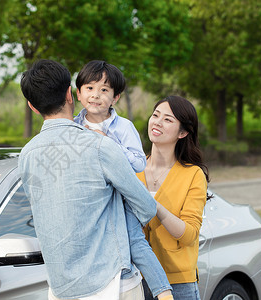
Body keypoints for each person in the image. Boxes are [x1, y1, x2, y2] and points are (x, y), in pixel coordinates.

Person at [18, 59, 161, 300]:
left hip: (60, 288)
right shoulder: (101, 145)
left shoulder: (27, 155)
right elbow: (147, 207)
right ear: (70, 95)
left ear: (32, 106)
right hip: (113, 283)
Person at [74, 60, 173, 299]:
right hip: (92, 197)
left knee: (135, 241)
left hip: (123, 195)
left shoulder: (123, 127)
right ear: (78, 93)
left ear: (115, 97)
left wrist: (107, 144)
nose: (96, 95)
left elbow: (139, 162)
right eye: (89, 88)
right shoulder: (74, 125)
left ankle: (163, 292)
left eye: (104, 90)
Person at [137, 95, 210, 300]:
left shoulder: (193, 175)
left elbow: (188, 234)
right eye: (155, 115)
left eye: (168, 119)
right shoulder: (132, 168)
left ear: (183, 132)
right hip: (135, 281)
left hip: (178, 284)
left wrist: (153, 205)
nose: (158, 122)